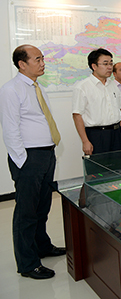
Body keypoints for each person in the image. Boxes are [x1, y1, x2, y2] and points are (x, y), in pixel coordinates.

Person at [0, 45, 65, 280]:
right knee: (26, 212)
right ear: (22, 64)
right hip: (29, 157)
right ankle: (27, 264)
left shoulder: (38, 87)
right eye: (37, 59)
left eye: (42, 58)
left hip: (46, 153)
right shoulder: (11, 89)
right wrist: (22, 161)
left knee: (42, 207)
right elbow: (10, 128)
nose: (42, 63)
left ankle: (42, 246)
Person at [72, 48, 121, 155]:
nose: (109, 67)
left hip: (116, 134)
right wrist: (85, 141)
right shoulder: (82, 87)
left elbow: (119, 110)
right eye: (105, 64)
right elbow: (77, 115)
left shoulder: (112, 85)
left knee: (119, 165)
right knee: (99, 165)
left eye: (111, 63)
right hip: (97, 135)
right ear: (94, 66)